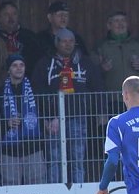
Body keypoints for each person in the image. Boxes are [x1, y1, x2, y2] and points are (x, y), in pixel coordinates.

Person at [31, 28, 103, 184]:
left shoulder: (85, 63)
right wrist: (47, 118)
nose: (68, 44)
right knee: (54, 160)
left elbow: (97, 88)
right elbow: (37, 93)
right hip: (53, 122)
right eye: (64, 41)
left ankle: (78, 191)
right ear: (56, 42)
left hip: (79, 118)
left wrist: (99, 112)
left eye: (71, 41)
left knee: (77, 160)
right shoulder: (44, 63)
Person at [0, 54, 46, 186]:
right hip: (9, 150)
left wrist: (52, 120)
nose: (19, 68)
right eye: (14, 65)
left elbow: (48, 111)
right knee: (10, 187)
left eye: (21, 65)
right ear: (8, 70)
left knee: (37, 185)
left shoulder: (36, 91)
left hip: (34, 148)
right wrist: (6, 124)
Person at [97, 10, 139, 91]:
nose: (120, 24)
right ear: (109, 25)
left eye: (123, 20)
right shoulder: (100, 46)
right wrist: (102, 68)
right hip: (112, 96)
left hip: (136, 95)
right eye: (116, 21)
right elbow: (91, 71)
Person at [0, 0, 44, 74]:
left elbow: (38, 62)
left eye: (14, 14)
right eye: (6, 14)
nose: (11, 18)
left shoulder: (30, 37)